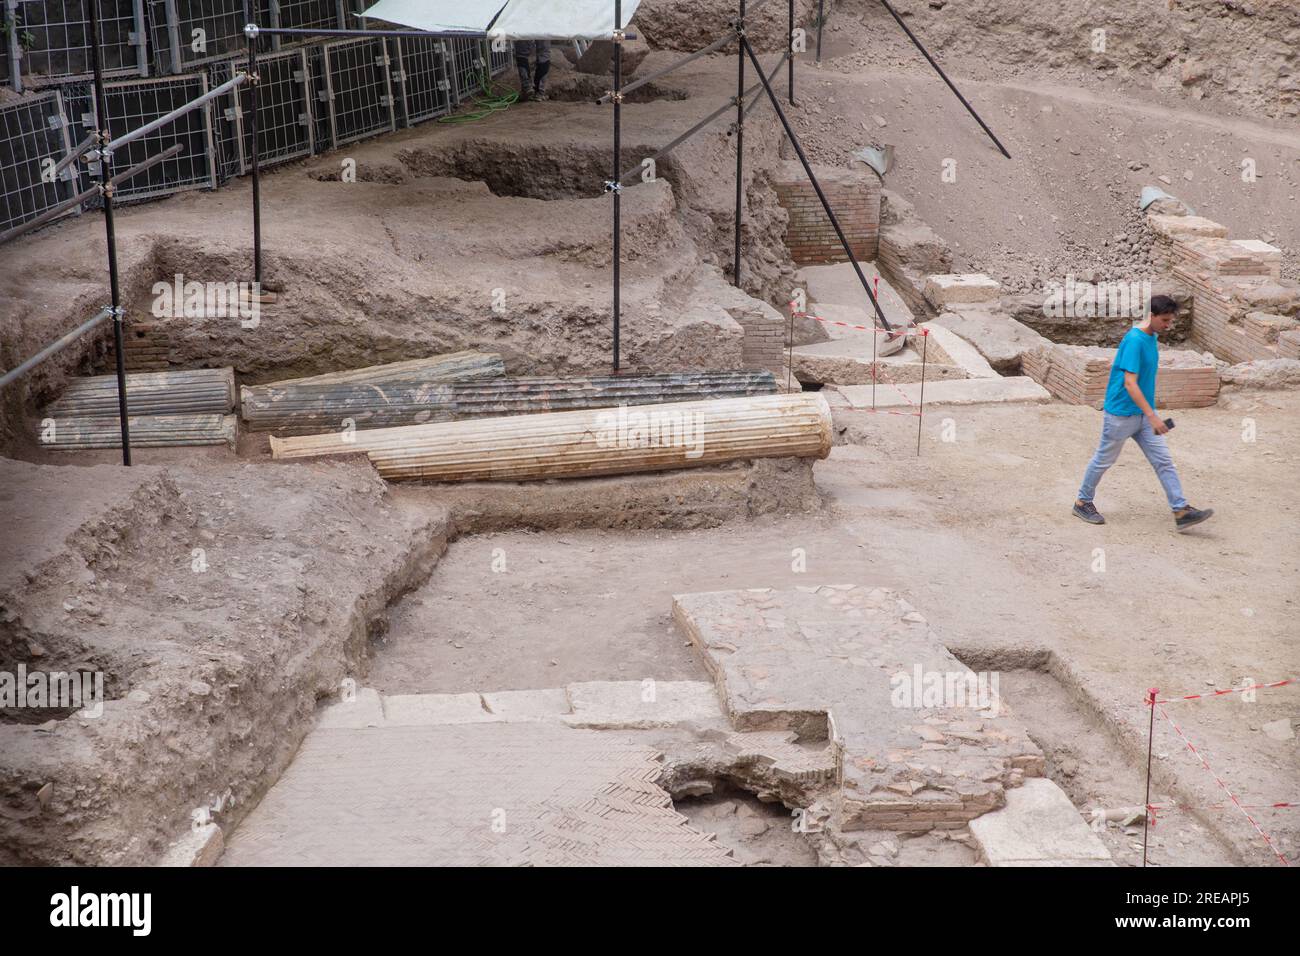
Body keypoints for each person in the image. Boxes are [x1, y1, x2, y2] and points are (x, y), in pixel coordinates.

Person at [1072, 295, 1213, 532]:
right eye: (1165, 320)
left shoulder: (1152, 336)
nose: (1168, 325)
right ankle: (1082, 501)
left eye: (1171, 321)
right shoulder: (1135, 341)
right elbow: (1130, 383)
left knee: (1164, 461)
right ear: (1152, 316)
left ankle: (1180, 510)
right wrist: (1153, 415)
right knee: (1104, 460)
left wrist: (1149, 414)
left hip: (1143, 416)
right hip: (1121, 415)